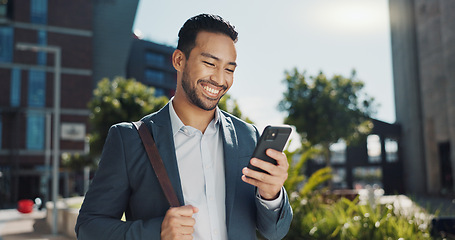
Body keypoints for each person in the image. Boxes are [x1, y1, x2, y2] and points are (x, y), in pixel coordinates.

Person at [75, 13, 292, 240]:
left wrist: (271, 195)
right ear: (179, 60)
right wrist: (156, 231)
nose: (220, 79)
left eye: (229, 69)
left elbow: (275, 233)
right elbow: (89, 228)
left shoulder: (248, 136)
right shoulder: (129, 139)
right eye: (210, 63)